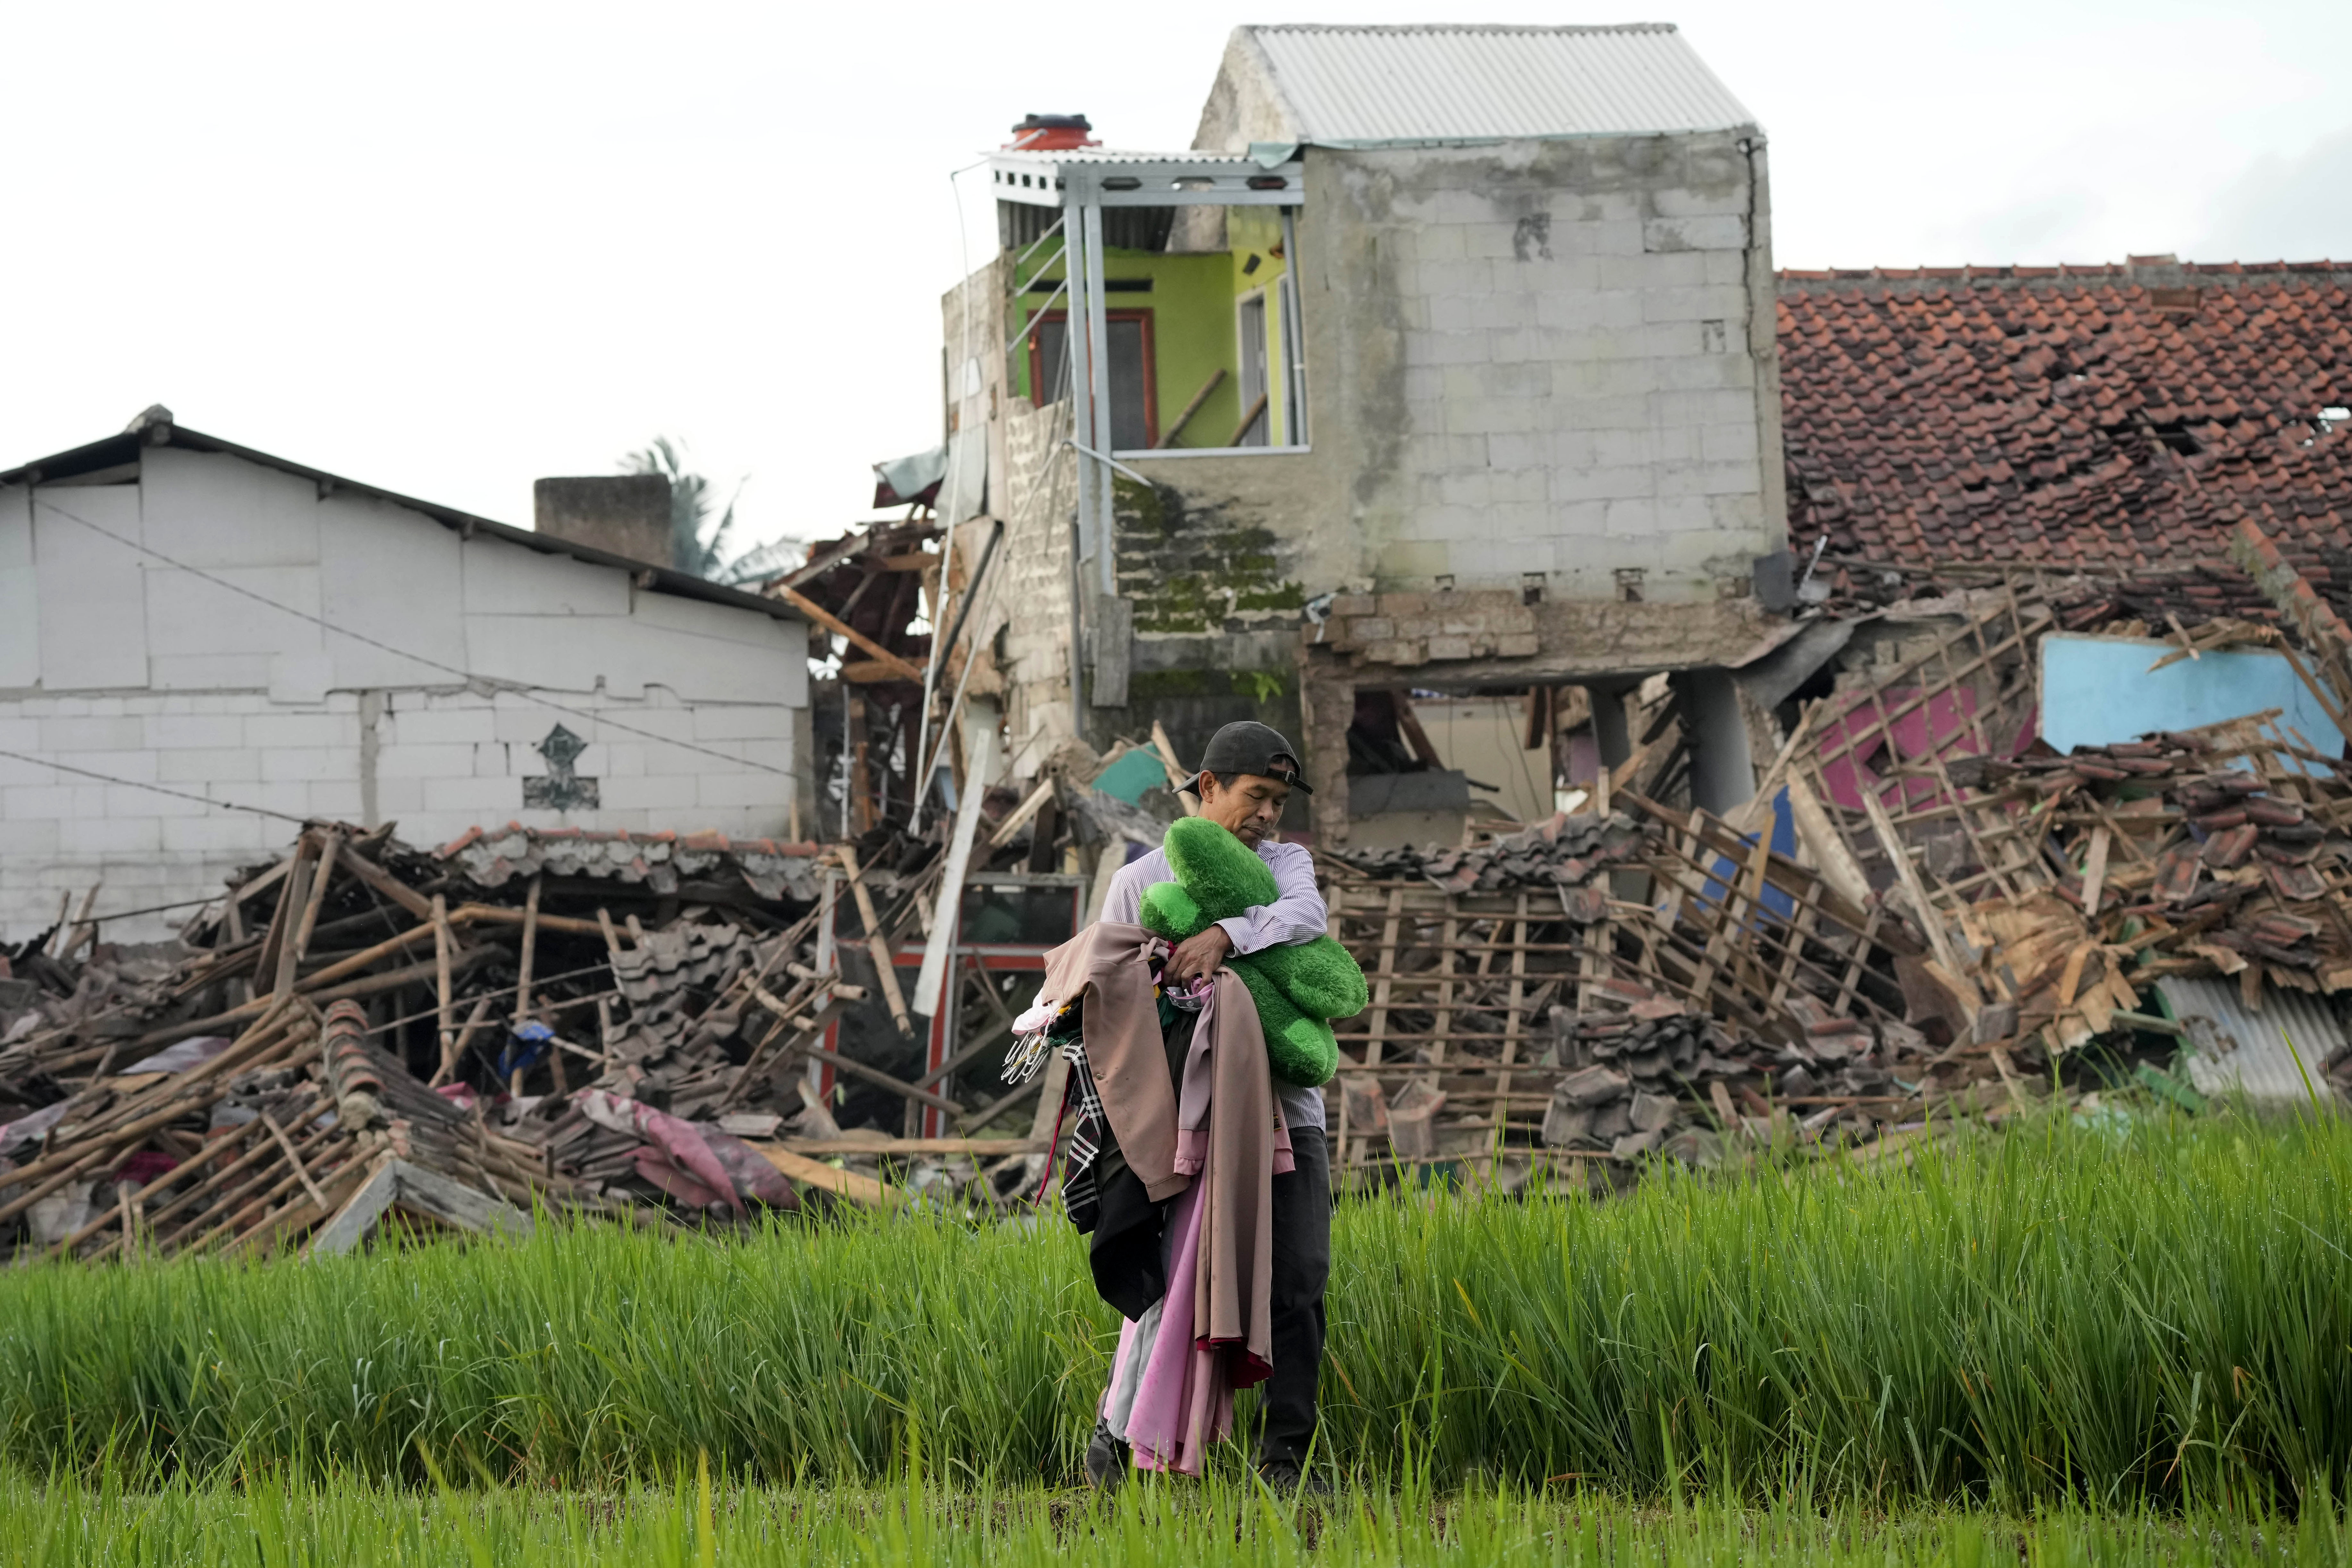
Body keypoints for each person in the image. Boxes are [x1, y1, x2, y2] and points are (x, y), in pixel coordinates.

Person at [1089, 720, 1332, 1494]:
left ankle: (1284, 1460)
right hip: (1180, 1120)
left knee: (1298, 1279)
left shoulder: (1285, 867)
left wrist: (1226, 934)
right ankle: (1118, 1440)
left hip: (1287, 1115)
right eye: (1254, 797)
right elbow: (1110, 995)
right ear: (1206, 788)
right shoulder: (1142, 880)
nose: (1266, 815)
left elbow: (1306, 919)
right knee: (1170, 1280)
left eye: (1277, 801)